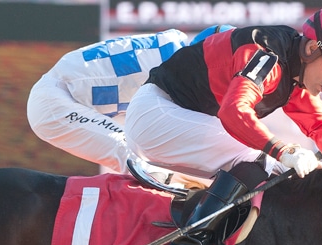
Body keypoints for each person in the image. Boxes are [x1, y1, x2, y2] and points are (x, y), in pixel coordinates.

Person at [124, 7, 322, 245]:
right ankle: (191, 243)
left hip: (173, 118)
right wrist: (284, 150)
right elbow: (234, 111)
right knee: (259, 159)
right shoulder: (266, 55)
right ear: (312, 47)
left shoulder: (295, 70)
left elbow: (319, 124)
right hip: (156, 114)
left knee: (277, 169)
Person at [27, 27, 236, 183]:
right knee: (135, 158)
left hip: (58, 93)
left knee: (146, 157)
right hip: (53, 102)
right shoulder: (176, 67)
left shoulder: (173, 47)